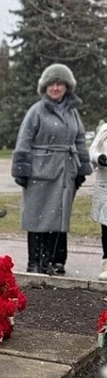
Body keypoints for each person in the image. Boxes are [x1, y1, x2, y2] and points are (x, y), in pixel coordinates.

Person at [12, 63, 91, 275]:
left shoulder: (72, 113)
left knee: (57, 219)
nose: (56, 88)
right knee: (36, 217)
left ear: (67, 87)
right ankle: (34, 262)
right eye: (52, 84)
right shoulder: (36, 111)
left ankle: (48, 262)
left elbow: (80, 140)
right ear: (45, 87)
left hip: (65, 173)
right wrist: (21, 167)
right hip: (40, 172)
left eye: (60, 84)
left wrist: (83, 167)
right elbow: (24, 139)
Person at [89, 120, 107, 280]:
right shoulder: (104, 130)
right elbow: (92, 151)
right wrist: (99, 158)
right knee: (106, 226)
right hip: (105, 186)